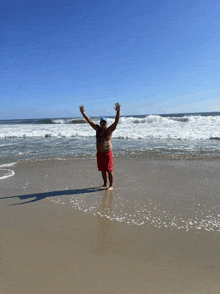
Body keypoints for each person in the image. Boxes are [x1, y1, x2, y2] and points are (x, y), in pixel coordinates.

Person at [79, 102, 120, 190]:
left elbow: (116, 121)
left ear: (107, 123)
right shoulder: (97, 129)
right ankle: (105, 184)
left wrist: (118, 111)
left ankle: (111, 185)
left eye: (104, 123)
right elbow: (89, 120)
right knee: (102, 169)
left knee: (109, 169)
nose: (103, 124)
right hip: (100, 153)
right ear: (100, 123)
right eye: (102, 123)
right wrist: (82, 112)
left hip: (107, 152)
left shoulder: (109, 130)